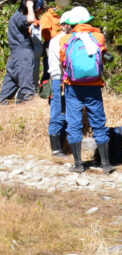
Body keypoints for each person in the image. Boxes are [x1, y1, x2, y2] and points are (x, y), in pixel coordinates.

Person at [60, 7, 113, 174]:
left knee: (74, 124)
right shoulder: (98, 36)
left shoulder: (66, 39)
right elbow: (104, 57)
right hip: (94, 86)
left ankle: (78, 164)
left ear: (74, 23)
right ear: (88, 21)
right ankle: (105, 164)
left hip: (73, 87)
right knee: (98, 123)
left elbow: (63, 62)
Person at [1, 0, 44, 104]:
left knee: (3, 97)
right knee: (28, 92)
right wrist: (30, 6)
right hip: (22, 55)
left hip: (15, 57)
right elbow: (30, 19)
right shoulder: (19, 17)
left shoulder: (16, 17)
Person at [45, 10, 74, 157]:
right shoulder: (58, 41)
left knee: (65, 114)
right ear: (63, 25)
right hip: (59, 80)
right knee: (58, 113)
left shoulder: (67, 40)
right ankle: (56, 150)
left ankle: (61, 148)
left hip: (66, 80)